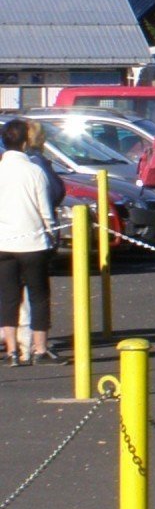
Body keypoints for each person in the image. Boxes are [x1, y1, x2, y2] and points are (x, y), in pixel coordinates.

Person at [0, 119, 58, 365]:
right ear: (25, 142)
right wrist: (52, 232)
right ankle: (39, 348)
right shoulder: (35, 171)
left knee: (8, 296)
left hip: (3, 242)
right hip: (33, 242)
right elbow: (45, 210)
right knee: (38, 296)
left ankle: (12, 350)